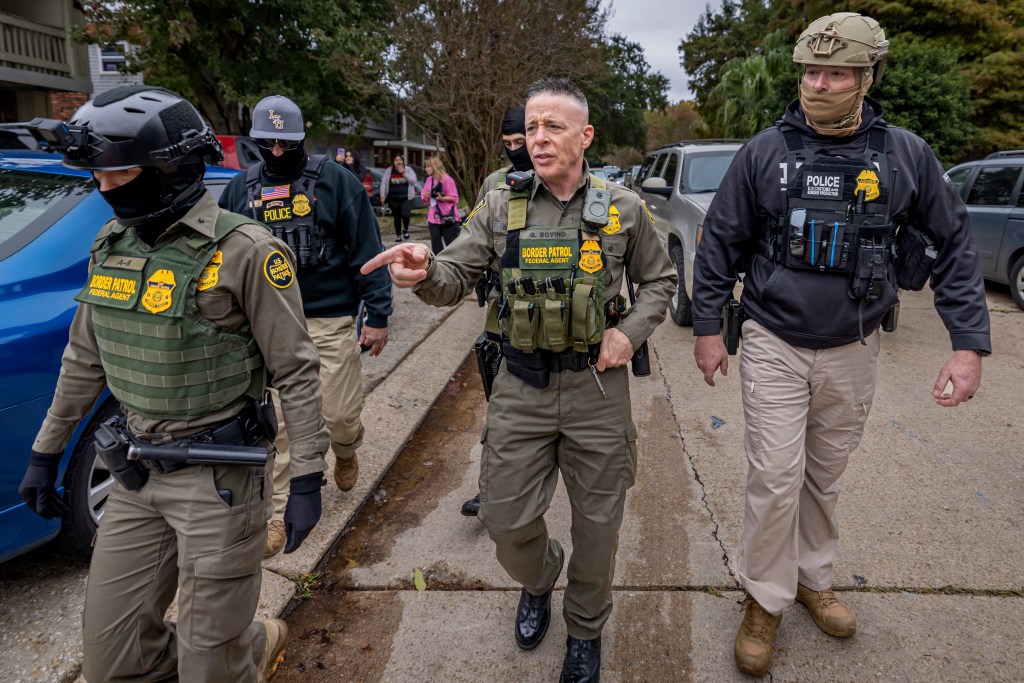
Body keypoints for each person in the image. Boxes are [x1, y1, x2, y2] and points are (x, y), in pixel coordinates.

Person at [689, 13, 991, 677]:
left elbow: (955, 244)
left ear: (866, 76)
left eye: (835, 73)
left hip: (855, 344)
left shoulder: (906, 154)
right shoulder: (765, 151)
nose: (818, 84)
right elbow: (720, 242)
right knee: (775, 474)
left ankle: (810, 576)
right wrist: (708, 326)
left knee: (822, 473)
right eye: (810, 72)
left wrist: (968, 343)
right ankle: (764, 598)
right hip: (772, 337)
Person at [362, 78, 675, 682]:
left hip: (596, 389)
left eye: (552, 126)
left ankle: (585, 629)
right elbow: (455, 272)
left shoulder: (623, 208)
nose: (538, 138)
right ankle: (539, 576)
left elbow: (660, 282)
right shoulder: (501, 203)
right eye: (531, 127)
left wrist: (628, 334)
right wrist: (424, 268)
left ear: (585, 136)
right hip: (520, 387)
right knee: (504, 522)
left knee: (599, 525)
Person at [16, 85, 330, 681]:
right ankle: (233, 650)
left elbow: (296, 369)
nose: (106, 191)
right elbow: (84, 360)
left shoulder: (246, 251)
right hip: (136, 472)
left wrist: (308, 476)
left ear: (172, 167)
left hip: (218, 479)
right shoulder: (110, 246)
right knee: (113, 661)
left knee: (211, 667)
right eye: (98, 177)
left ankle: (238, 652)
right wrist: (45, 451)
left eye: (121, 173)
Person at [219, 94, 392, 558]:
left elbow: (368, 255)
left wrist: (377, 316)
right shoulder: (239, 192)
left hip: (329, 319)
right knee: (281, 427)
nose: (277, 154)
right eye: (267, 144)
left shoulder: (337, 183)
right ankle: (277, 511)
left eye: (286, 145)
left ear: (301, 139)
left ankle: (346, 446)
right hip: (267, 327)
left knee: (336, 415)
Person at [460, 104, 534, 518]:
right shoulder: (493, 183)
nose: (514, 153)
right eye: (507, 145)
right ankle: (491, 489)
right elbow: (475, 235)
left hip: (552, 308)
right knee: (500, 405)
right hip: (503, 310)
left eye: (519, 143)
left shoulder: (555, 172)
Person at [422, 155, 461, 253]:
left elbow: (455, 197)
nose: (426, 169)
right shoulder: (429, 180)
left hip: (448, 216)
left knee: (451, 245)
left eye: (428, 166)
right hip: (434, 217)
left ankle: (452, 265)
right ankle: (438, 265)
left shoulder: (447, 179)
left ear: (435, 166)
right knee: (436, 245)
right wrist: (426, 196)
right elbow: (424, 195)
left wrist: (442, 198)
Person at [379, 154, 417, 242]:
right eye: (396, 160)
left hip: (407, 197)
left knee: (405, 214)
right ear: (393, 162)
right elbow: (383, 183)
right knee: (397, 216)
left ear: (403, 161)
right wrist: (382, 195)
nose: (398, 162)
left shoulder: (408, 170)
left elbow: (414, 181)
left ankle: (406, 229)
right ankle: (398, 235)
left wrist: (404, 173)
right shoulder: (389, 171)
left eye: (400, 160)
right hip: (393, 197)